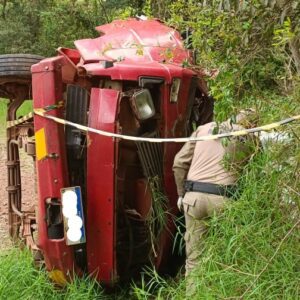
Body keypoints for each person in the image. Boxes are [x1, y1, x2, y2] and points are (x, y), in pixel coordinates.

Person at [172, 109, 258, 295]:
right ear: (252, 125)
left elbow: (179, 162)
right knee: (229, 256)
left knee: (194, 258)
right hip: (225, 201)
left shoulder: (204, 129)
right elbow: (255, 177)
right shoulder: (250, 138)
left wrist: (181, 194)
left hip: (193, 199)